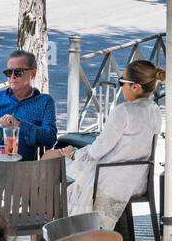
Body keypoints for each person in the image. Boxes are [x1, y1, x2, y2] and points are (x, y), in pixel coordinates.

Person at [42, 59, 164, 228]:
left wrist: (72, 153)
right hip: (137, 179)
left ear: (135, 86)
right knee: (60, 163)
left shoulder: (124, 111)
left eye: (122, 82)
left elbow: (98, 150)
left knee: (51, 165)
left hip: (111, 178)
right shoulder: (155, 110)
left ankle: (55, 232)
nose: (120, 87)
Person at [0, 49, 58, 160]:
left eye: (18, 72)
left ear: (33, 73)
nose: (12, 77)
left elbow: (50, 138)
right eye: (9, 72)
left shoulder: (44, 101)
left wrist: (19, 124)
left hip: (22, 169)